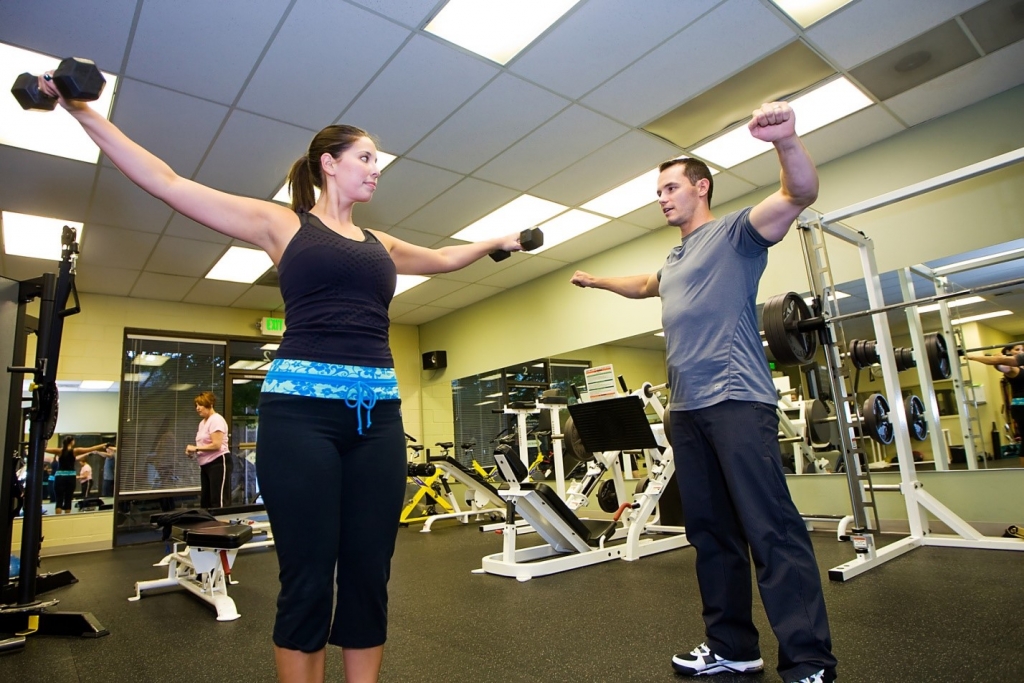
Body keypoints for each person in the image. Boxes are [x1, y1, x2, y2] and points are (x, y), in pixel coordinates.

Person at [37, 73, 527, 683]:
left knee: (371, 564)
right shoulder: (284, 225)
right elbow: (167, 182)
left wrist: (495, 242)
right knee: (309, 568)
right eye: (367, 158)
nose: (377, 169)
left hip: (379, 420)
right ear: (330, 164)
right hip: (300, 416)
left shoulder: (382, 242)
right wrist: (82, 110)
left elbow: (446, 258)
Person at [570, 102, 837, 683]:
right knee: (711, 534)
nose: (661, 197)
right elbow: (646, 284)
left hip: (737, 400)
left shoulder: (738, 234)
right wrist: (595, 280)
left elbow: (798, 194)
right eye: (658, 190)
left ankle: (810, 661)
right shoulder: (676, 256)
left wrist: (786, 142)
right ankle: (733, 647)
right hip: (687, 411)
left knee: (771, 530)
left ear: (701, 187)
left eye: (670, 187)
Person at [185, 391, 232, 509]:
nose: (197, 408)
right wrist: (194, 452)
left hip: (218, 462)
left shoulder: (216, 420)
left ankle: (223, 526)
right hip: (205, 465)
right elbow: (203, 445)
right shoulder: (202, 423)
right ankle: (209, 526)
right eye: (196, 405)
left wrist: (195, 448)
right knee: (206, 502)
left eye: (200, 405)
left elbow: (216, 445)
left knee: (218, 501)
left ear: (209, 404)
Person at [967, 343, 1024, 440]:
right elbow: (999, 365)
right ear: (1008, 352)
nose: (1021, 352)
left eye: (1022, 349)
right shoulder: (1011, 368)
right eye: (1017, 349)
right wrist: (972, 357)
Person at [44, 437, 108, 514]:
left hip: (59, 477)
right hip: (70, 477)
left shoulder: (60, 451)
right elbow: (90, 448)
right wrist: (104, 444)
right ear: (72, 442)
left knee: (59, 500)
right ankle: (67, 517)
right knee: (68, 498)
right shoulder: (75, 451)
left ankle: (58, 517)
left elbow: (44, 449)